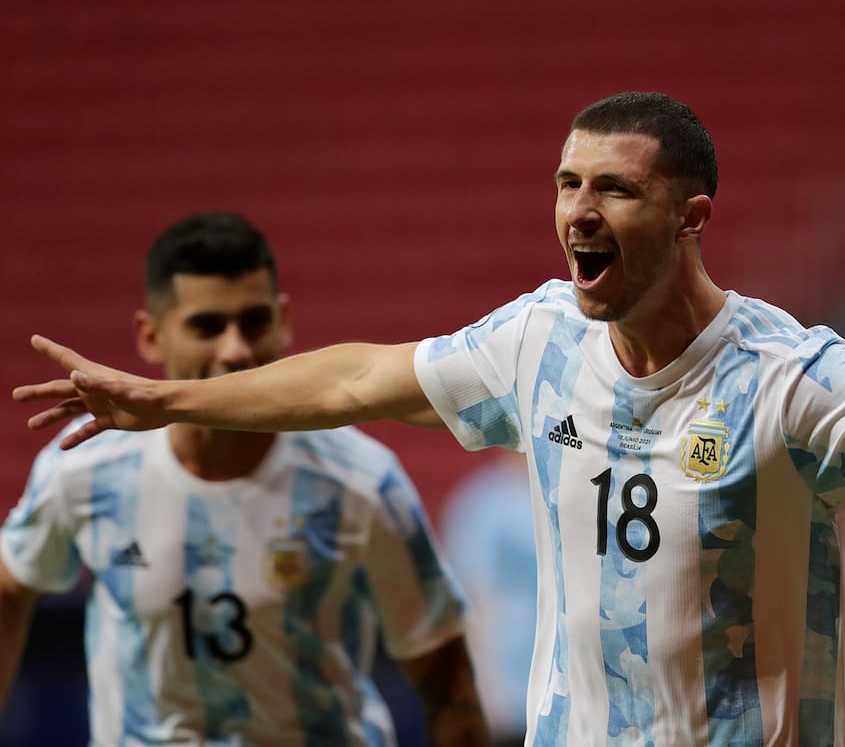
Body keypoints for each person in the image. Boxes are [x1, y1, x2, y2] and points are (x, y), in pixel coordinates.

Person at [12, 93, 845, 747]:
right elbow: (350, 379)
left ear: (691, 218)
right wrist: (164, 399)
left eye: (613, 188)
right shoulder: (541, 339)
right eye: (567, 184)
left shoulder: (790, 375)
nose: (579, 208)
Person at [0, 212, 488, 746]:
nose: (235, 349)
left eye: (253, 322)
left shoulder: (360, 481)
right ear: (149, 336)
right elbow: (10, 587)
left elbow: (445, 676)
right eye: (207, 326)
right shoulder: (85, 468)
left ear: (283, 321)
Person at [440, 452, 538, 747]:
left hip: (570, 696)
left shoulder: (577, 496)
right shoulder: (482, 504)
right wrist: (481, 692)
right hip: (510, 696)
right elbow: (470, 606)